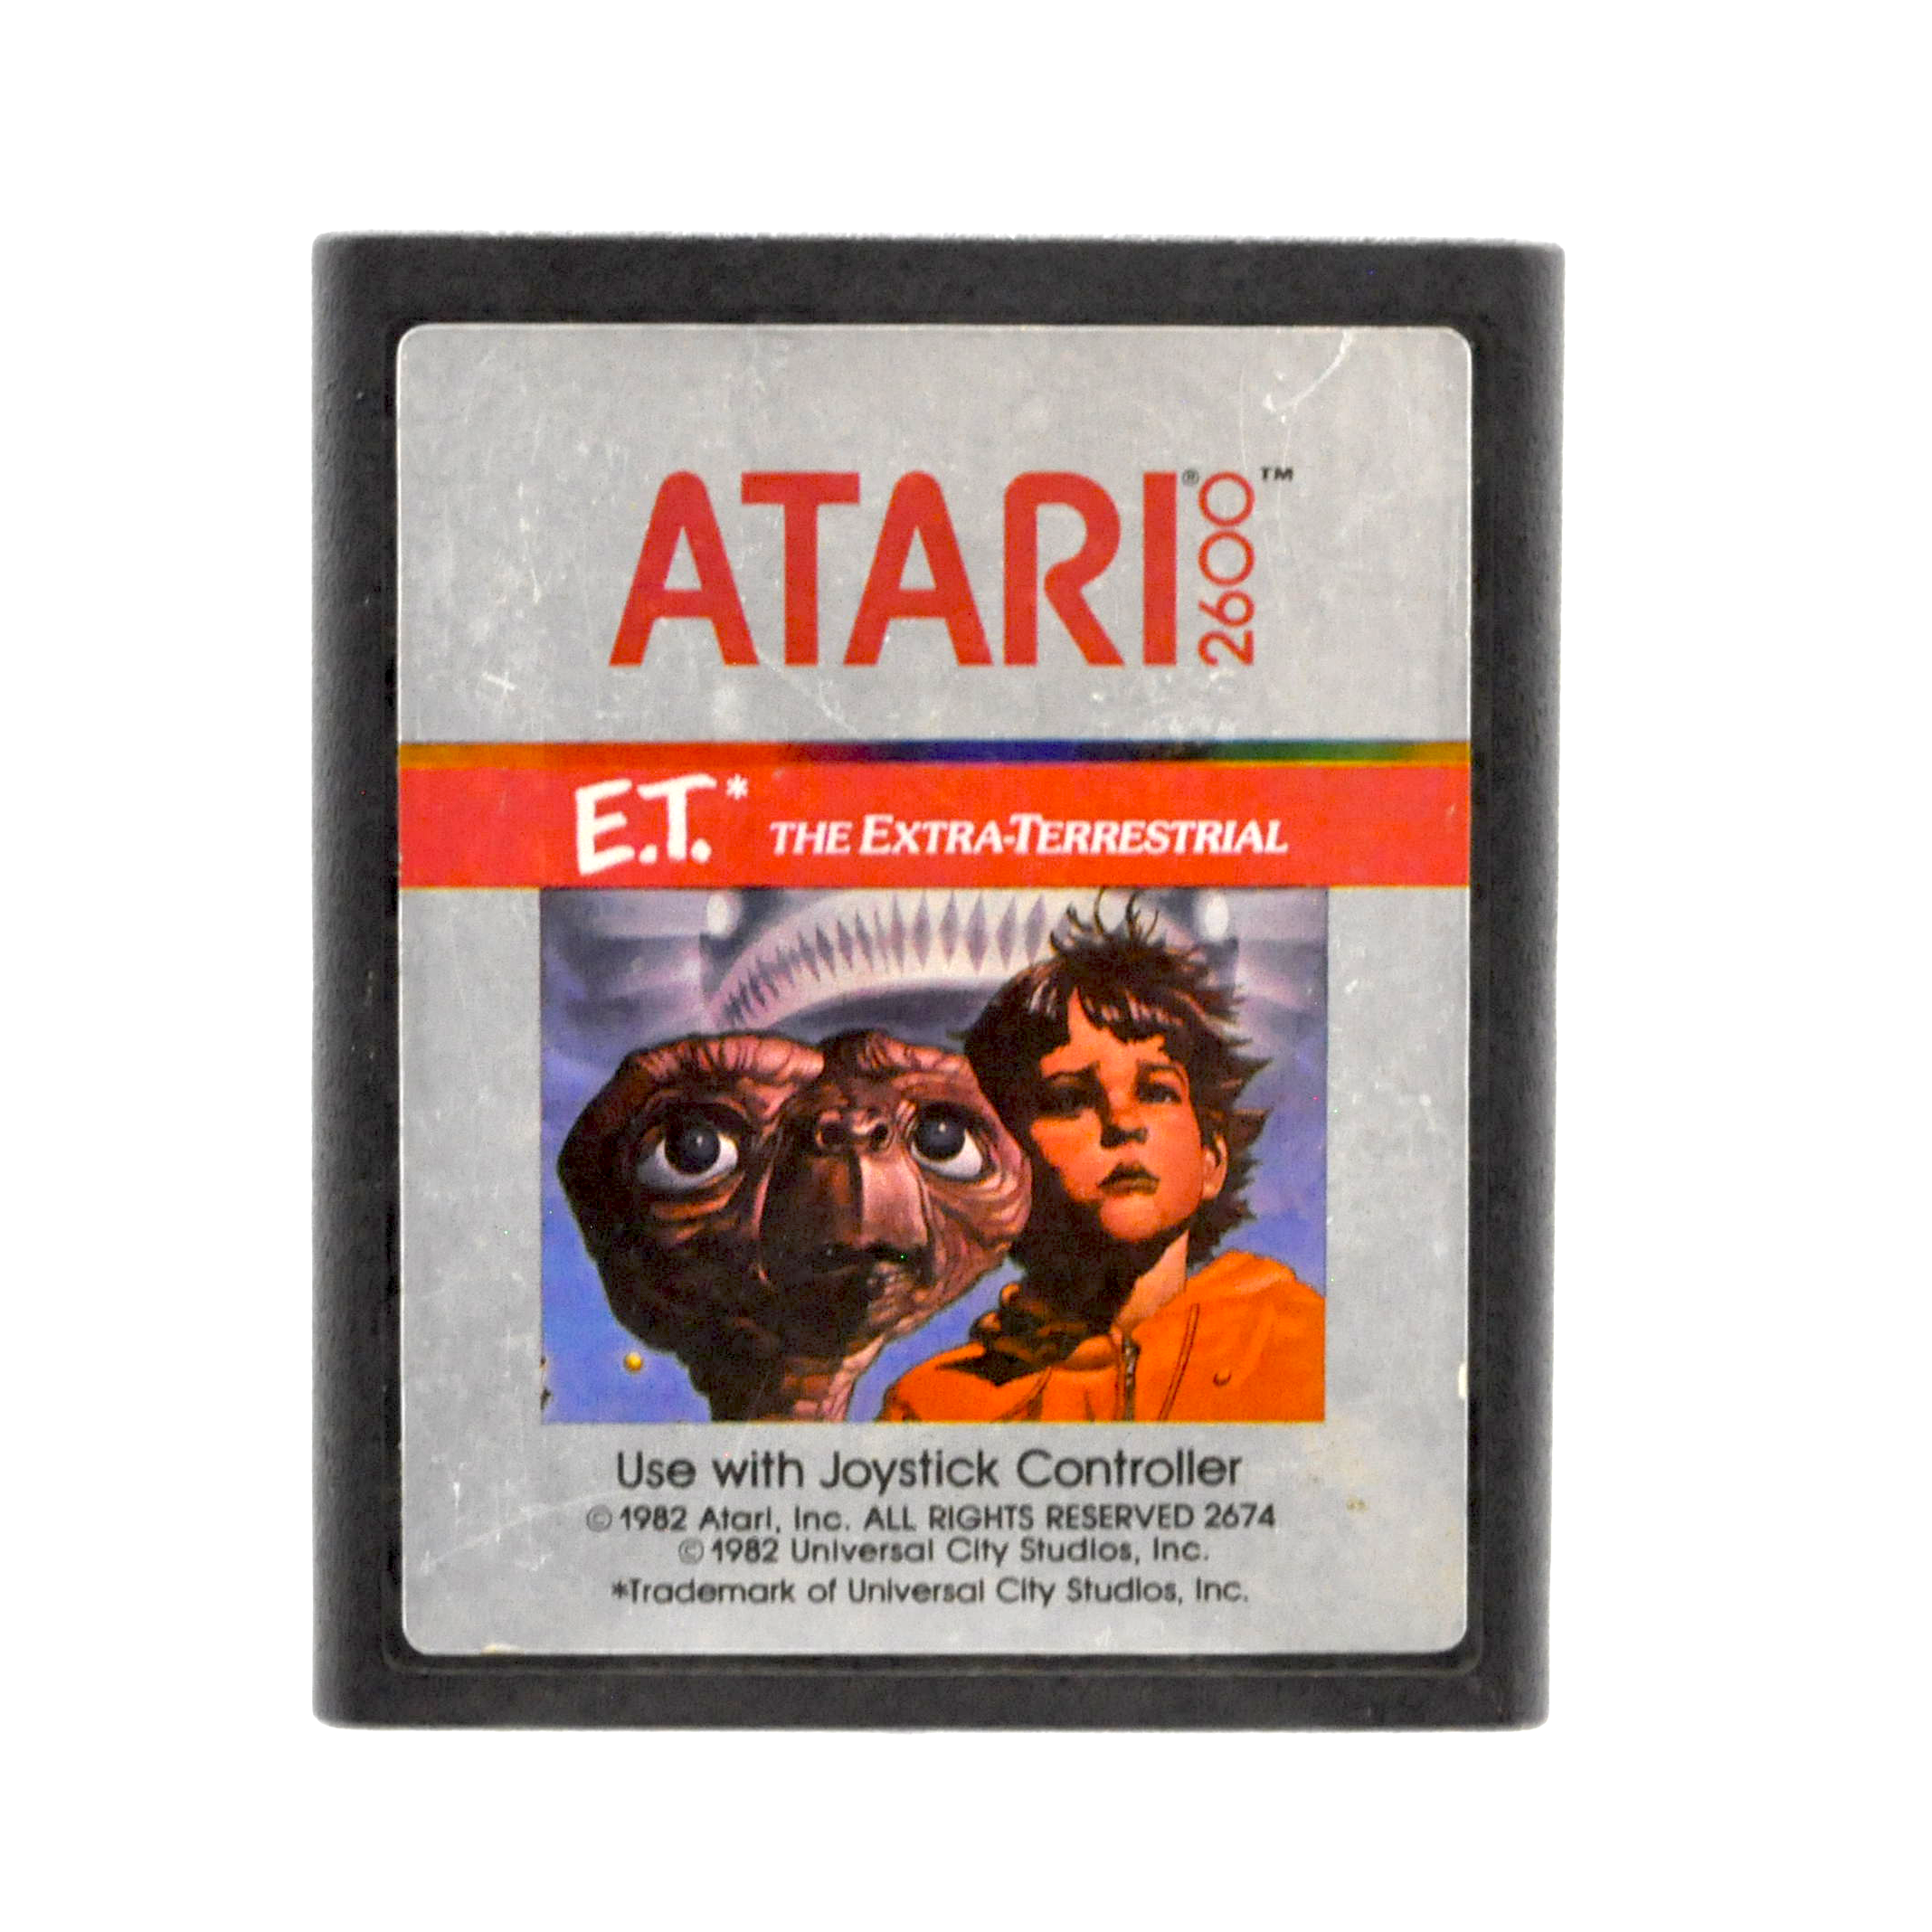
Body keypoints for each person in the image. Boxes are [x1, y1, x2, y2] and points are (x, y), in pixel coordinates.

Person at [879, 904, 1323, 1422]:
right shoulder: (937, 1406)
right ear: (1005, 1165)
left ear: (1212, 1160)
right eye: (1070, 1099)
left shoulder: (1302, 1346)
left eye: (1156, 1091)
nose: (1122, 1122)